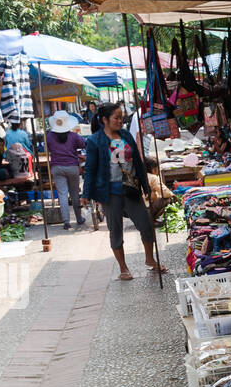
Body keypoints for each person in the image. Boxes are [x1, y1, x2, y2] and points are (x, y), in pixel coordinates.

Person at [81, 102, 167, 280]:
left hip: (131, 189)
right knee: (116, 230)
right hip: (109, 192)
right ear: (105, 120)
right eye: (116, 118)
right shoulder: (95, 141)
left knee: (145, 224)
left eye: (121, 117)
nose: (121, 121)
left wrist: (145, 184)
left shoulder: (126, 135)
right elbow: (90, 169)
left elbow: (137, 162)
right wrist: (86, 193)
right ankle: (123, 268)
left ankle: (150, 260)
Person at [46, 110, 86, 230]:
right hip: (72, 167)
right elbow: (84, 144)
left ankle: (66, 221)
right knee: (74, 194)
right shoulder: (73, 136)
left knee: (62, 194)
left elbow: (49, 148)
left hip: (57, 168)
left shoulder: (49, 136)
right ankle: (79, 218)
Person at [142, 156, 174, 221]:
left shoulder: (141, 175)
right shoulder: (152, 177)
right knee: (169, 199)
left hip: (137, 207)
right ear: (153, 169)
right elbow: (166, 193)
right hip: (147, 208)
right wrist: (172, 194)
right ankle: (152, 219)